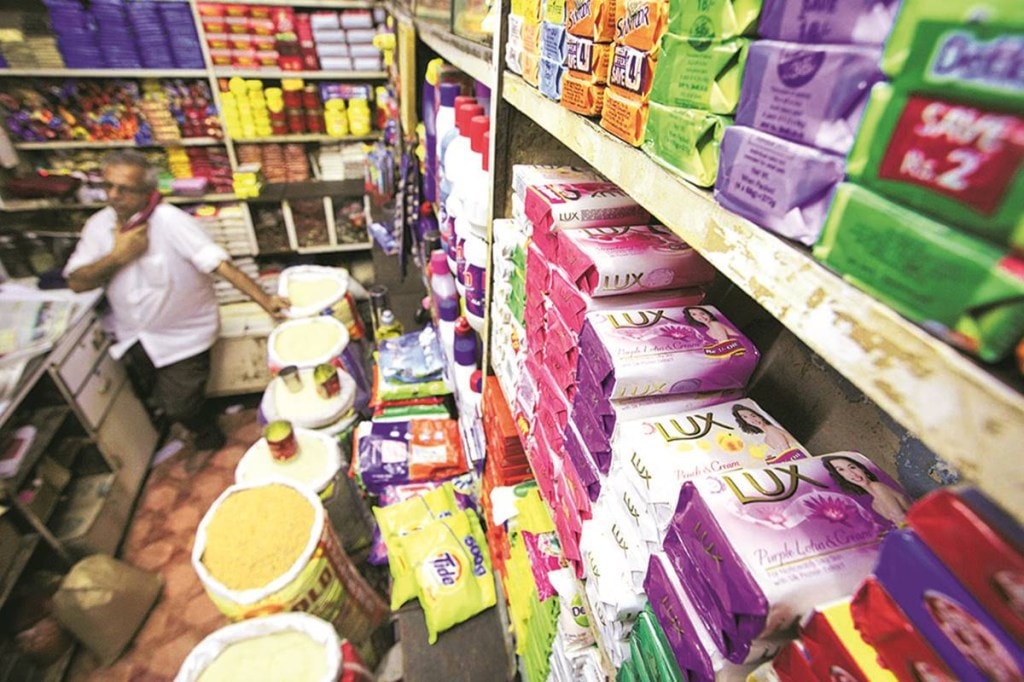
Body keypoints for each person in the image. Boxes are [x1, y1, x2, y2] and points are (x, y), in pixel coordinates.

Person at [64, 150, 290, 472]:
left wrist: (266, 301)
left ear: (148, 193)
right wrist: (118, 255)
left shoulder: (170, 222)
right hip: (134, 335)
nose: (113, 196)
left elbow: (220, 265)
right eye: (108, 186)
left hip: (184, 336)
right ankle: (189, 427)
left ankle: (209, 438)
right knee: (156, 394)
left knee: (180, 403)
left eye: (124, 189)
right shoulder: (98, 226)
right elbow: (76, 281)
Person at [821, 454, 911, 526]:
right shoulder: (875, 505)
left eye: (852, 467)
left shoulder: (877, 487)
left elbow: (901, 517)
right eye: (841, 470)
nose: (852, 473)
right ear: (841, 477)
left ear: (862, 469)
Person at [731, 403, 806, 462]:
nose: (752, 419)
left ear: (759, 416)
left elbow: (788, 453)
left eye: (753, 415)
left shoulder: (771, 430)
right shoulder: (766, 436)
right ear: (744, 422)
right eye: (745, 417)